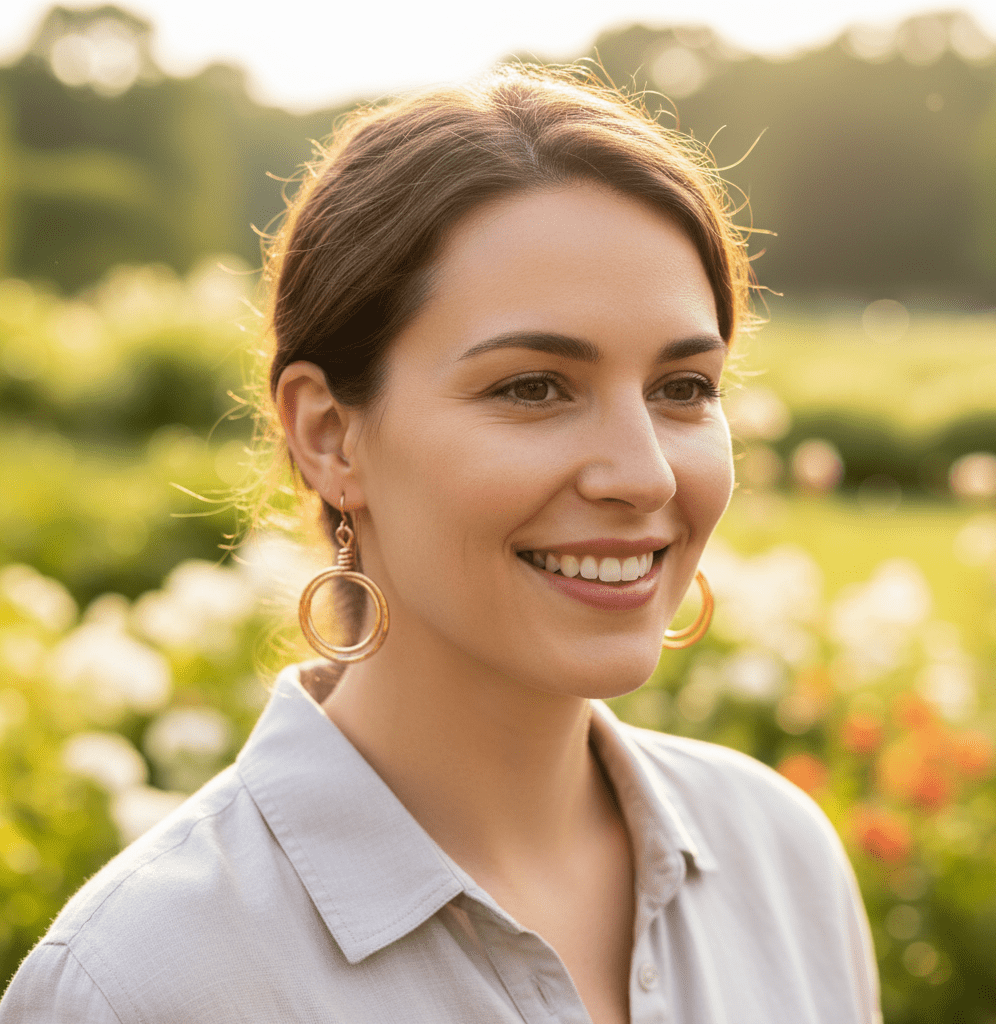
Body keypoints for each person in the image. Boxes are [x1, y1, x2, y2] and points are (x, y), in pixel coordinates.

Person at [0, 65, 881, 1023]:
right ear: (329, 436)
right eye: (533, 386)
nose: (646, 475)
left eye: (683, 388)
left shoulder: (781, 860)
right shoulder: (144, 984)